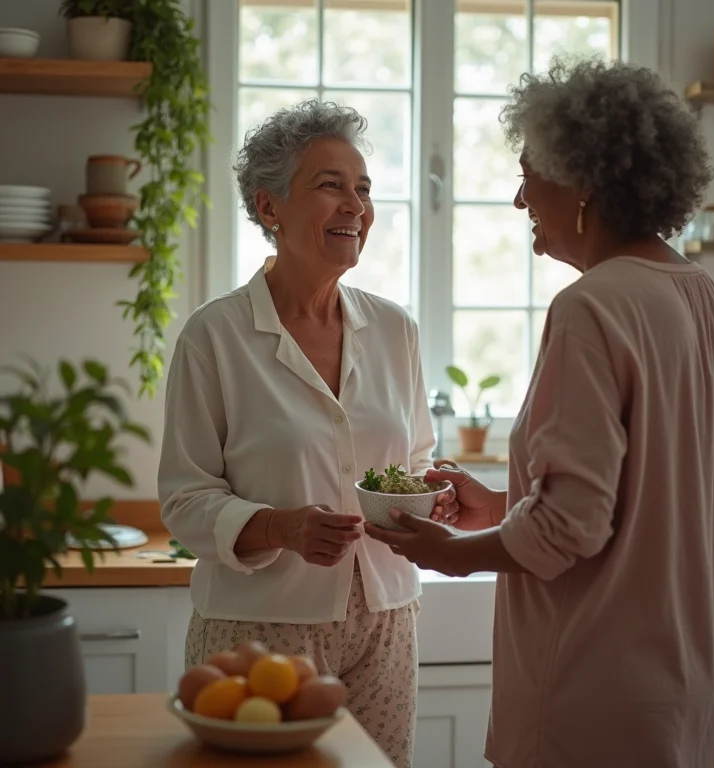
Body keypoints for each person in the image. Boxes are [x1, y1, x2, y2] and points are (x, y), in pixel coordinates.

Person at [366, 58, 714, 768]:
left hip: (585, 697)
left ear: (583, 182)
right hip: (685, 696)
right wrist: (506, 504)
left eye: (529, 173)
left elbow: (566, 530)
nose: (520, 198)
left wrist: (449, 554)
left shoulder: (592, 306)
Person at [158, 99, 437, 768]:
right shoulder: (215, 336)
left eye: (363, 188)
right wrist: (279, 527)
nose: (356, 206)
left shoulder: (394, 329)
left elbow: (415, 460)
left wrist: (433, 495)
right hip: (260, 626)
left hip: (387, 619)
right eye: (331, 185)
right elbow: (185, 499)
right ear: (269, 207)